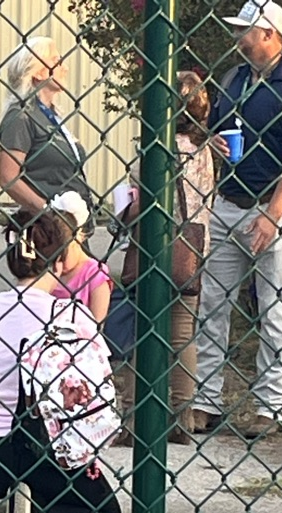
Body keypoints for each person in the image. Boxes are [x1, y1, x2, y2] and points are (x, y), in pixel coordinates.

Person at [0, 211, 122, 513]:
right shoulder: (72, 315)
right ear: (59, 264)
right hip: (50, 448)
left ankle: (12, 497)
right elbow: (98, 382)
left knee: (24, 467)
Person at [193, 0, 282, 439]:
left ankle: (270, 405)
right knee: (213, 305)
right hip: (228, 203)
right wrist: (213, 143)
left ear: (269, 33)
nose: (238, 37)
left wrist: (272, 215)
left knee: (273, 308)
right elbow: (217, 128)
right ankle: (206, 401)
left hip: (274, 208)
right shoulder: (234, 79)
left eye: (245, 30)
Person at [119, 70, 215, 445]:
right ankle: (181, 415)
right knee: (181, 335)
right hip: (191, 246)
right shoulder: (206, 149)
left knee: (137, 329)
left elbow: (136, 201)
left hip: (152, 246)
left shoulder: (155, 146)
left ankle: (130, 416)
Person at [0, 37, 95, 240]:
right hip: (50, 230)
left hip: (72, 227)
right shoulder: (21, 115)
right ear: (38, 73)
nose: (65, 68)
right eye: (56, 61)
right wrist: (48, 213)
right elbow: (8, 178)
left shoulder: (51, 116)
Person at [49, 191, 113, 322]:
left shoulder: (94, 274)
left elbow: (97, 324)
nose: (57, 263)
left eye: (63, 254)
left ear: (79, 237)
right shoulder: (47, 273)